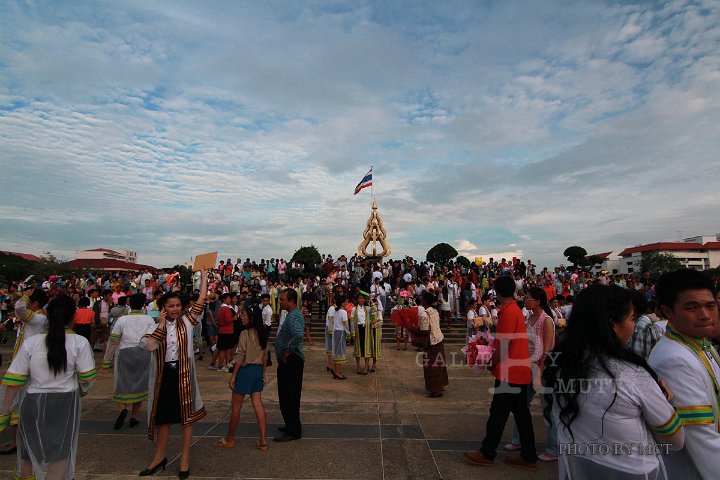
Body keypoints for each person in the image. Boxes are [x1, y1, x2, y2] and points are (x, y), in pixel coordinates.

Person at [545, 284, 684, 479]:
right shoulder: (633, 374)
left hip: (581, 469)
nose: (634, 326)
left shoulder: (560, 368)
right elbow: (675, 439)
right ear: (613, 324)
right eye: (632, 319)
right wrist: (666, 401)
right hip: (632, 471)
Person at [0, 294, 96, 480]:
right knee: (59, 454)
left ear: (47, 314)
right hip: (65, 403)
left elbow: (13, 381)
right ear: (73, 317)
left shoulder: (31, 343)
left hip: (32, 402)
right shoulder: (80, 342)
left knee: (28, 453)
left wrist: (4, 413)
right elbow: (87, 378)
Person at [649, 269, 719, 479]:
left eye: (711, 306)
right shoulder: (674, 359)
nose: (705, 315)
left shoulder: (700, 344)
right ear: (668, 312)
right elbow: (700, 439)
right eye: (692, 307)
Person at [139, 269, 207, 479]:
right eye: (170, 306)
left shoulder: (187, 323)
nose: (175, 309)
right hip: (163, 377)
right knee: (163, 419)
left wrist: (203, 277)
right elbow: (149, 346)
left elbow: (202, 298)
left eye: (178, 305)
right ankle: (159, 456)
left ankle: (185, 458)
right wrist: (160, 324)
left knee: (186, 418)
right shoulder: (152, 326)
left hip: (183, 374)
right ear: (163, 309)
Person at [464, 275, 537, 469]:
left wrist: (489, 362)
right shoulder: (514, 310)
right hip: (519, 369)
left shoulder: (508, 312)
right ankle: (529, 456)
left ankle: (487, 454)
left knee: (498, 414)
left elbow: (503, 346)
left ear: (496, 291)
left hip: (509, 372)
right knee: (522, 415)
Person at [505, 287, 557, 461]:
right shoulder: (529, 318)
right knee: (521, 405)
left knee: (548, 409)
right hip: (527, 366)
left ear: (538, 301)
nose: (525, 300)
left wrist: (539, 371)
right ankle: (517, 439)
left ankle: (553, 448)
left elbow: (547, 349)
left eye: (528, 298)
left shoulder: (546, 320)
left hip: (542, 369)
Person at [215, 304, 269, 451]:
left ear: (251, 317)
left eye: (244, 314)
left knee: (236, 407)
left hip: (245, 371)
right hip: (257, 370)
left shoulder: (245, 334)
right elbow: (265, 356)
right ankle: (263, 440)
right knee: (258, 404)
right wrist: (263, 373)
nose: (241, 317)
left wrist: (234, 375)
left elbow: (240, 356)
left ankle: (229, 438)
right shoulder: (262, 333)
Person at [101, 293, 155, 430]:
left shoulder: (122, 320)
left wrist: (106, 362)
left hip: (124, 353)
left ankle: (122, 409)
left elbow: (113, 341)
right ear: (143, 305)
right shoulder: (149, 319)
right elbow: (152, 340)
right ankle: (134, 416)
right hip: (143, 354)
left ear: (129, 305)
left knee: (121, 384)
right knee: (140, 384)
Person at [274, 289, 305, 442]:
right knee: (286, 394)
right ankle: (289, 425)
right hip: (289, 360)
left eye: (282, 300)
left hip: (292, 360)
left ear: (291, 301)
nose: (280, 302)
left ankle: (293, 430)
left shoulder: (294, 315)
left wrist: (287, 351)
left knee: (290, 395)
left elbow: (298, 335)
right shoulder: (291, 314)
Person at [408, 291, 448, 398]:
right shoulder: (435, 311)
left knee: (431, 366)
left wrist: (413, 329)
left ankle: (435, 389)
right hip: (439, 339)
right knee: (439, 365)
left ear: (424, 301)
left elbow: (425, 331)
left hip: (432, 343)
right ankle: (440, 385)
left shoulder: (424, 315)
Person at [351, 292, 374, 375]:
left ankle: (366, 366)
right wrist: (352, 333)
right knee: (358, 347)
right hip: (358, 329)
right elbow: (352, 321)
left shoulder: (367, 309)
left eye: (363, 298)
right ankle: (358, 366)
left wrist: (371, 301)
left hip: (366, 329)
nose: (361, 300)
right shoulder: (354, 309)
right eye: (360, 298)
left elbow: (373, 313)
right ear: (357, 300)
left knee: (366, 348)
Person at [330, 296, 350, 380]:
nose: (347, 304)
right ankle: (338, 372)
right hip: (340, 332)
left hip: (335, 332)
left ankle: (336, 371)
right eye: (346, 302)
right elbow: (345, 324)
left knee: (336, 351)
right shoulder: (343, 312)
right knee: (339, 352)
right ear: (342, 303)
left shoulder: (336, 311)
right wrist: (348, 333)